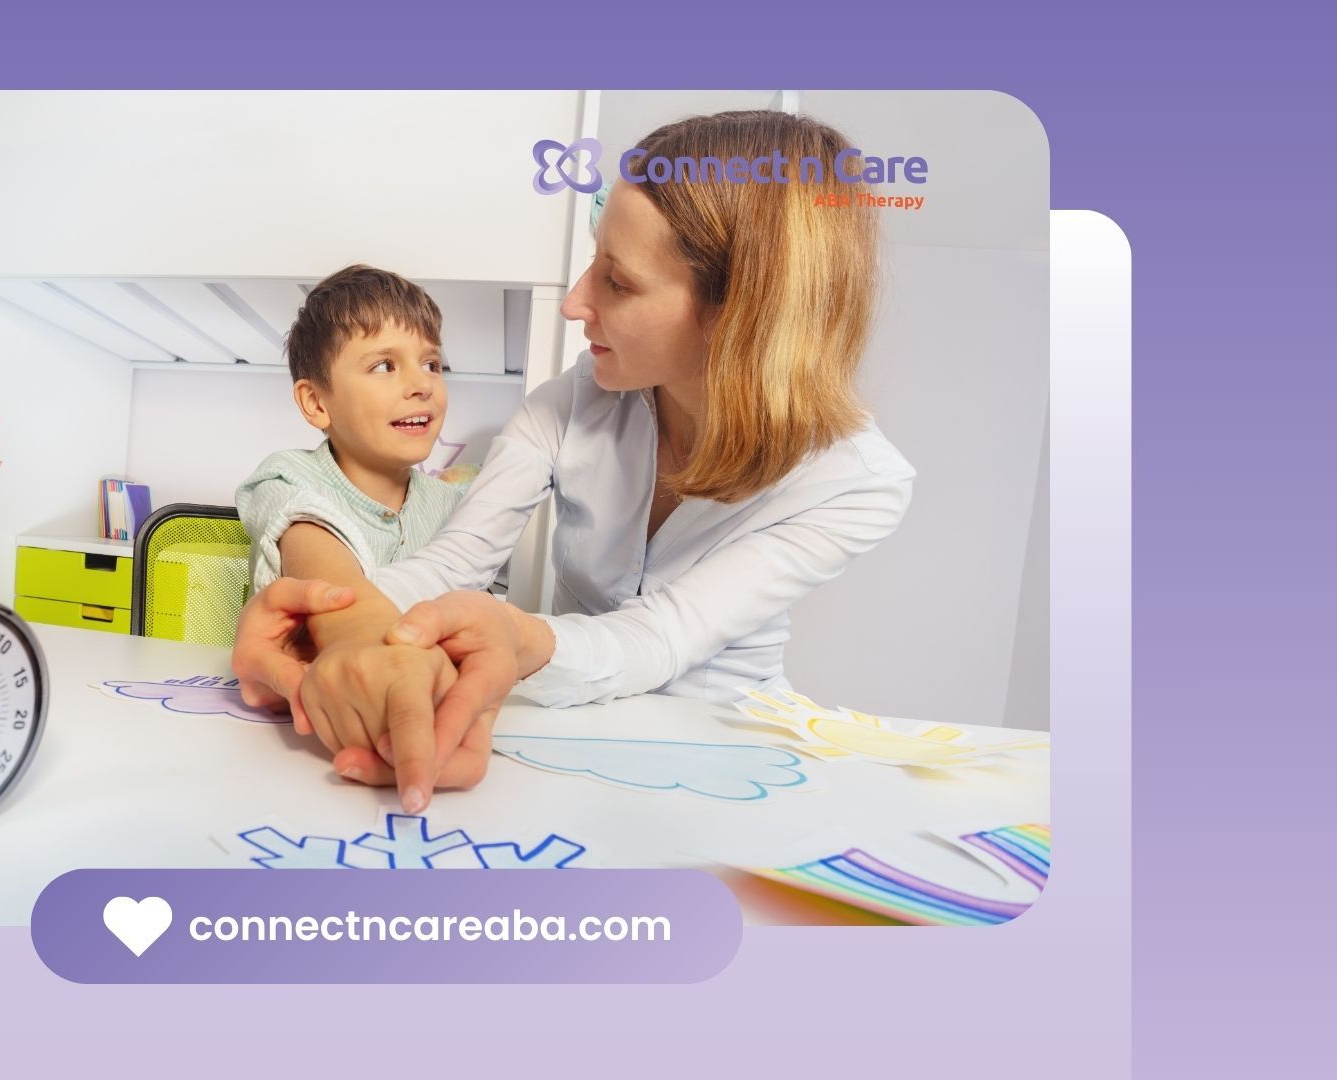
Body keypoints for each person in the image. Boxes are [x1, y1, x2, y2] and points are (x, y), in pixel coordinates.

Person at [234, 110, 917, 814]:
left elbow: (663, 636)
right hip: (563, 732)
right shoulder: (570, 402)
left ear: (737, 314)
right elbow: (454, 561)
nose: (573, 302)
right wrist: (340, 624)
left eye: (617, 282)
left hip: (723, 749)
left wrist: (516, 637)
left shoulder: (856, 483)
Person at [233, 266, 475, 810]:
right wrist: (359, 630)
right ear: (317, 403)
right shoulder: (287, 477)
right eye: (385, 365)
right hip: (290, 760)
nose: (422, 383)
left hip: (419, 725)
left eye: (432, 363)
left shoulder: (453, 507)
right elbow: (314, 551)